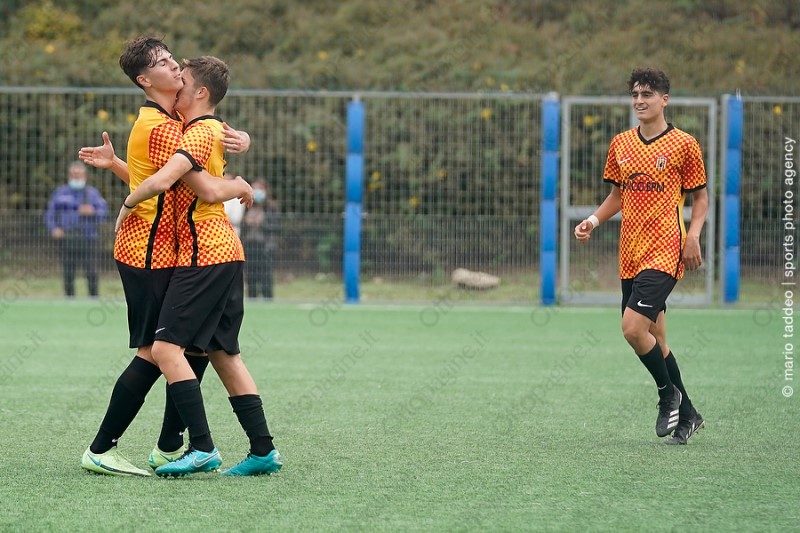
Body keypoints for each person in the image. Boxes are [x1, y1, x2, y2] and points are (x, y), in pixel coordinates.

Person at [79, 37, 253, 477]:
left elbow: (164, 177)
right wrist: (239, 183)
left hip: (168, 248)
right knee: (156, 350)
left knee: (182, 345)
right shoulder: (163, 126)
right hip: (146, 251)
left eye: (172, 58)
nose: (174, 65)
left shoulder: (169, 117)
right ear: (144, 80)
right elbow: (194, 185)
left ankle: (169, 445)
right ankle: (105, 449)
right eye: (163, 62)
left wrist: (118, 166)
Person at [116, 55, 282, 477]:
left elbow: (190, 186)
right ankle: (263, 450)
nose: (177, 79)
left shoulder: (197, 130)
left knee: (165, 349)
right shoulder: (204, 127)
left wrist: (127, 204)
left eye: (184, 78)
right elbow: (175, 180)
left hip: (203, 253)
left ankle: (203, 447)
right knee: (223, 353)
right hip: (225, 251)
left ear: (201, 92)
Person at [574, 67, 708, 445]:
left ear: (664, 99)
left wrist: (693, 235)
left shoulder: (684, 144)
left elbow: (701, 198)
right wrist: (592, 221)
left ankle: (668, 396)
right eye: (635, 94)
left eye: (647, 94)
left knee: (632, 329)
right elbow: (617, 196)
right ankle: (689, 416)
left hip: (665, 248)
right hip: (630, 251)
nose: (639, 101)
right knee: (655, 337)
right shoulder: (621, 144)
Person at [44, 161, 108, 297]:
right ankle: (69, 299)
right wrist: (54, 228)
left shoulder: (93, 194)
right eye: (74, 174)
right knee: (68, 272)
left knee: (91, 271)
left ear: (85, 176)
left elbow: (103, 213)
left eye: (79, 174)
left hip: (88, 239)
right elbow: (50, 214)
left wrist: (93, 212)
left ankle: (93, 298)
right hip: (66, 239)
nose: (76, 177)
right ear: (69, 175)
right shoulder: (60, 193)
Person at [241, 179, 279, 299]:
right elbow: (241, 226)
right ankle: (252, 297)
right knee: (251, 275)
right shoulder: (246, 206)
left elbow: (275, 227)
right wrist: (247, 222)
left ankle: (267, 298)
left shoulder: (270, 208)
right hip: (249, 244)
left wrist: (261, 223)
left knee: (266, 275)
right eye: (254, 188)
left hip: (264, 246)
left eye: (260, 188)